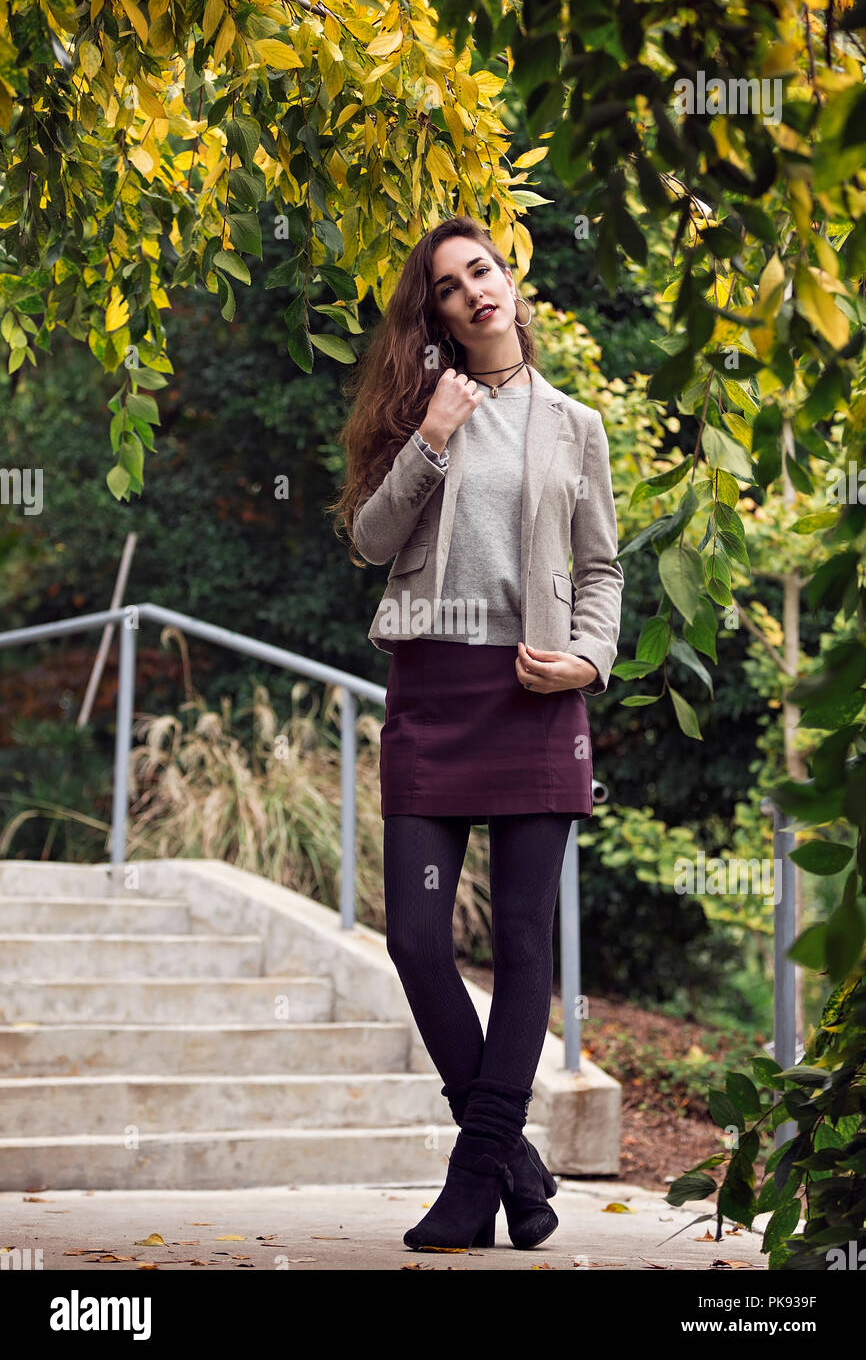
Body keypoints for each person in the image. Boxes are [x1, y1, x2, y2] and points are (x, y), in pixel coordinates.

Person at [330, 216, 623, 1251]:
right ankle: (514, 1162)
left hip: (533, 695)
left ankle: (472, 1179)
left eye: (482, 271)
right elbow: (368, 542)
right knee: (414, 938)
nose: (472, 292)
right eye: (449, 286)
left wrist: (590, 656)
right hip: (429, 688)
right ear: (436, 316)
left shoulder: (573, 424)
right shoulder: (418, 413)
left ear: (509, 285)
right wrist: (432, 435)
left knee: (523, 943)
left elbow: (599, 569)